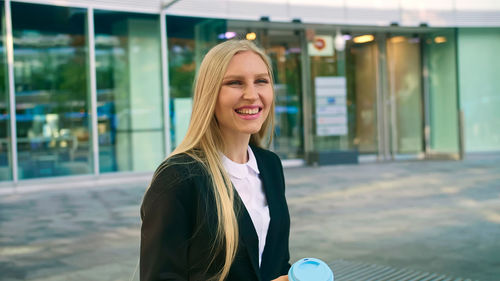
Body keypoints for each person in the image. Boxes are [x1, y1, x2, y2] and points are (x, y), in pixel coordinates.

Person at [140, 39, 291, 281]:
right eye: (235, 83)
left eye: (261, 81)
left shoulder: (270, 165)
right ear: (210, 94)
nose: (252, 95)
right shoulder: (178, 178)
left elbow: (276, 263)